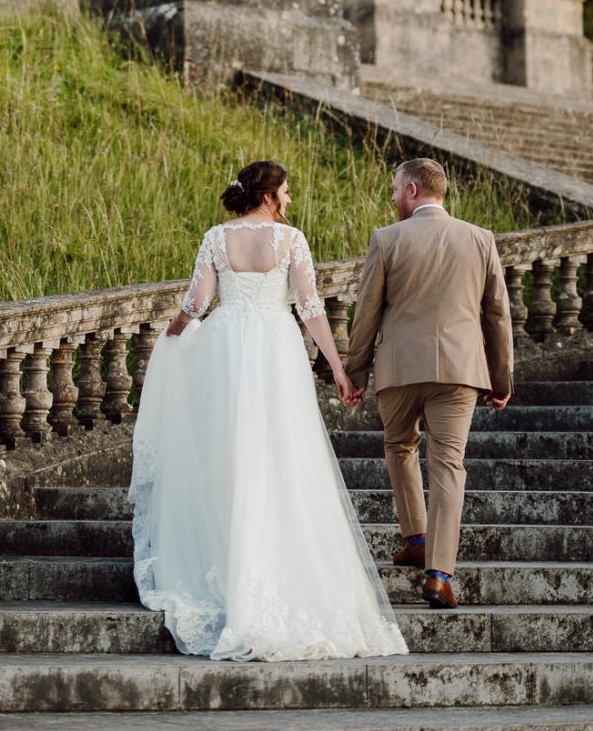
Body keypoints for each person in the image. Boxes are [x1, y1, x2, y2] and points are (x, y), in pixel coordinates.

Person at [128, 159, 407, 662]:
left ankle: (232, 569)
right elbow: (310, 308)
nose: (291, 198)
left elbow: (196, 305)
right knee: (283, 454)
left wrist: (171, 336)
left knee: (229, 455)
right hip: (277, 350)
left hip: (227, 348)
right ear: (269, 194)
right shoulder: (291, 240)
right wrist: (338, 368)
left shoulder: (217, 237)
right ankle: (279, 571)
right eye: (287, 190)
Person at [343, 157, 513, 610]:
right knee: (448, 466)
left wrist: (355, 374)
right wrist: (501, 378)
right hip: (459, 372)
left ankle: (415, 535)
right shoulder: (480, 239)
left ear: (415, 191)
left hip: (398, 371)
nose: (393, 196)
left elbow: (367, 314)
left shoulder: (386, 239)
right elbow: (496, 314)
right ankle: (438, 573)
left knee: (399, 446)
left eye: (397, 188)